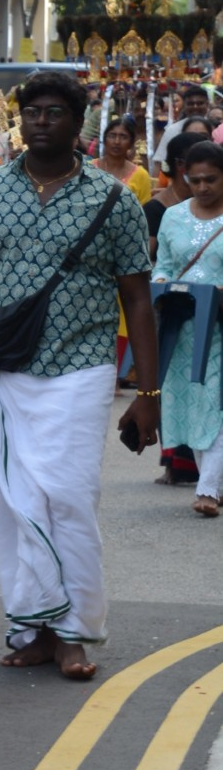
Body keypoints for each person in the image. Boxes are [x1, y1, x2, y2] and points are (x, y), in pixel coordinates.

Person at [0, 70, 159, 681]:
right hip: (2, 367)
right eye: (32, 112)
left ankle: (75, 630)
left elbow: (138, 300)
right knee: (16, 502)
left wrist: (149, 394)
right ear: (20, 121)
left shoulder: (115, 199)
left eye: (55, 112)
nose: (41, 121)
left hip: (82, 366)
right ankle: (33, 626)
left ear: (79, 125)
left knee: (68, 496)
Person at [152, 140, 223, 518]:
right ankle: (212, 481)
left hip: (220, 329)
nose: (202, 188)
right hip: (181, 327)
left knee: (214, 401)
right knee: (192, 403)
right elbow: (162, 262)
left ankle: (208, 488)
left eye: (210, 179)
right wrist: (162, 281)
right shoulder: (174, 217)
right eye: (194, 180)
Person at [99, 115, 153, 203]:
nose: (117, 142)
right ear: (105, 140)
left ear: (131, 143)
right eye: (112, 136)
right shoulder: (89, 168)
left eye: (123, 137)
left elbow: (143, 212)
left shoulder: (141, 175)